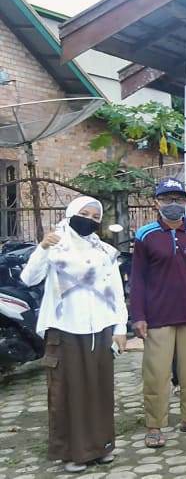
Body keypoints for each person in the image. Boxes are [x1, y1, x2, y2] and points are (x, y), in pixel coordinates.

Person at [20, 197, 127, 473]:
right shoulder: (55, 245)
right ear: (70, 213)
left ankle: (101, 447)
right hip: (65, 329)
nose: (89, 219)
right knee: (69, 392)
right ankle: (73, 453)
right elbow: (29, 279)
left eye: (95, 216)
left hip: (100, 329)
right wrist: (43, 248)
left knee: (100, 391)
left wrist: (120, 328)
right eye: (84, 213)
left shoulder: (105, 251)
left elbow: (116, 292)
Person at [131, 178, 186, 447]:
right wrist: (138, 315)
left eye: (179, 199)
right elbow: (137, 279)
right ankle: (154, 425)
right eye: (167, 199)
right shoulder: (145, 235)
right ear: (156, 203)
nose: (173, 204)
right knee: (157, 375)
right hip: (158, 317)